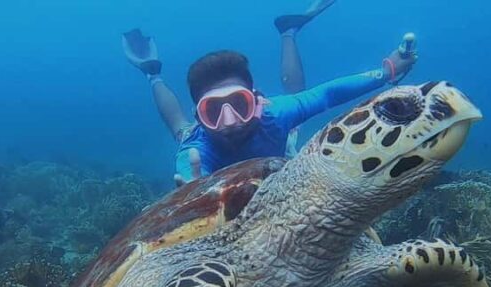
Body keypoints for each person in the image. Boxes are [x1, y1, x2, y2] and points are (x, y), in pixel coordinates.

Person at [123, 0, 417, 185]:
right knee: (180, 129)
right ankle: (153, 74)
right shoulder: (195, 154)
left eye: (240, 104)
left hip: (276, 148)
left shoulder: (274, 113)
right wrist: (190, 197)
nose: (229, 121)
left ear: (258, 100)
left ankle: (289, 31)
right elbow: (189, 184)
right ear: (200, 117)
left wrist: (387, 71)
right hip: (206, 153)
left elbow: (328, 93)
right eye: (212, 111)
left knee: (299, 104)